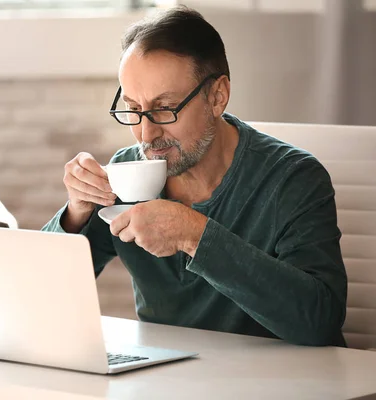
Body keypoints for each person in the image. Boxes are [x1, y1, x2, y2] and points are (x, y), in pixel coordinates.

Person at [42, 6, 347, 346]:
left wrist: (196, 236)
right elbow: (38, 296)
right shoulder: (126, 178)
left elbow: (320, 321)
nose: (146, 134)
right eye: (133, 108)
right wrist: (73, 216)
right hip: (165, 382)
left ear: (218, 97)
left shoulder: (294, 179)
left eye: (164, 108)